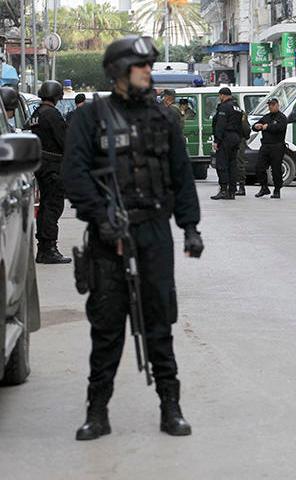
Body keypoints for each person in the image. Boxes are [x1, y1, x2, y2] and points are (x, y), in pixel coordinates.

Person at [63, 35, 204, 441]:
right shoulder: (91, 118)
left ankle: (170, 406)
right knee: (107, 327)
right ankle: (97, 411)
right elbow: (75, 176)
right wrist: (100, 218)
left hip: (155, 233)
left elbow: (180, 176)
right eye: (140, 66)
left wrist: (190, 228)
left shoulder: (163, 118)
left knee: (159, 321)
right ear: (118, 72)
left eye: (148, 66)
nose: (147, 72)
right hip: (110, 238)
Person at [26, 80, 71, 264]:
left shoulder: (36, 114)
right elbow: (64, 141)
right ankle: (49, 249)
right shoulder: (52, 114)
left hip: (41, 165)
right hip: (53, 166)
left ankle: (43, 248)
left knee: (45, 206)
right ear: (56, 96)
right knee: (53, 206)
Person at [210, 87, 243, 200]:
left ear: (223, 95)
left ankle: (223, 190)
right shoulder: (237, 107)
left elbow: (220, 125)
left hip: (226, 138)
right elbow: (240, 125)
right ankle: (232, 191)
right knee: (232, 165)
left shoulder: (224, 107)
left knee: (222, 164)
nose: (219, 98)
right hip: (235, 138)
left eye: (220, 96)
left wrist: (217, 140)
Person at [253, 97, 287, 199]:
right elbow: (254, 126)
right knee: (259, 167)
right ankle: (264, 187)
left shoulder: (282, 117)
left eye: (272, 105)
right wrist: (256, 126)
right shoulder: (266, 117)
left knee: (276, 169)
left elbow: (280, 127)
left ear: (277, 105)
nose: (270, 107)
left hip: (277, 146)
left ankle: (277, 190)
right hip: (266, 146)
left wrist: (268, 127)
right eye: (269, 105)